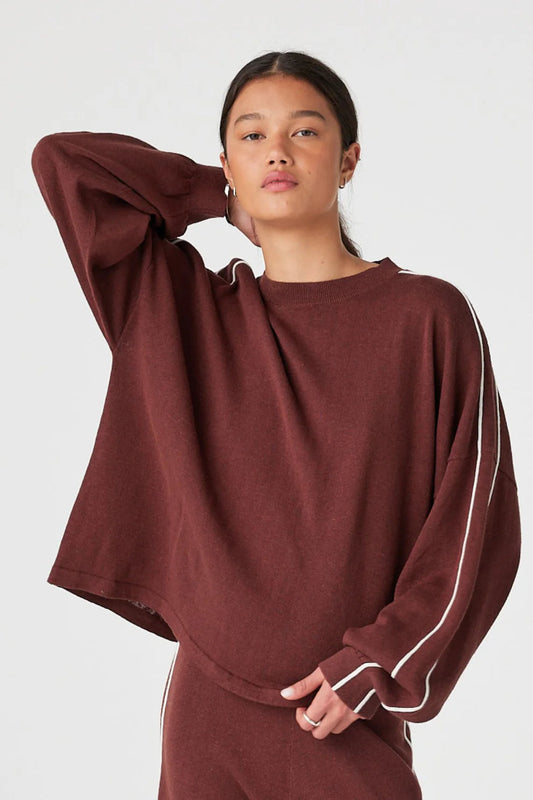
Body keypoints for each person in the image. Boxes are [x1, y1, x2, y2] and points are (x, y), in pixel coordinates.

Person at [31, 51, 521, 799]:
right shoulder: (179, 314)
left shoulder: (427, 318)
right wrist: (216, 197)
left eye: (306, 132)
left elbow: (472, 525)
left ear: (349, 160)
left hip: (341, 717)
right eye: (253, 136)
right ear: (228, 159)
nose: (278, 153)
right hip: (206, 716)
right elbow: (64, 164)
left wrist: (377, 664)